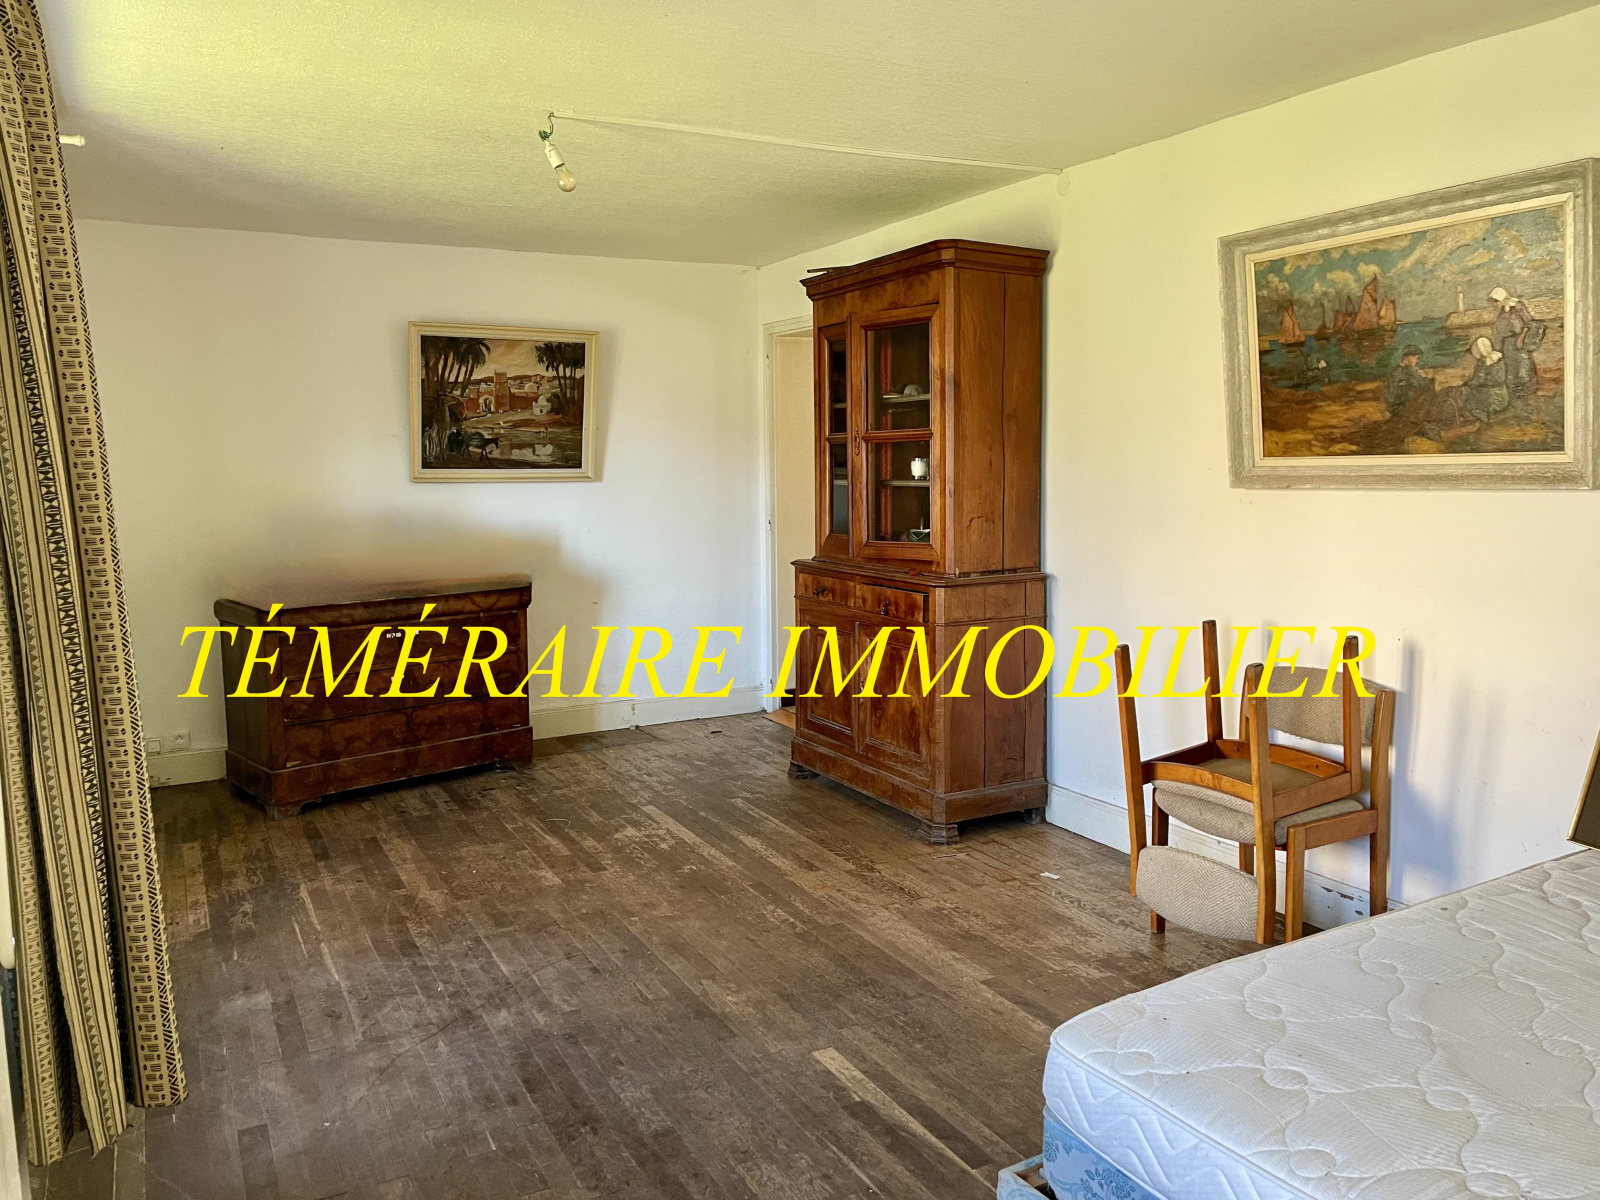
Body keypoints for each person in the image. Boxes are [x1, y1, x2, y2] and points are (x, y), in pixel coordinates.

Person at [1488, 285, 1542, 398]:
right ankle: (1515, 393)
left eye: (1496, 301)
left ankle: (1527, 390)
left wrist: (1521, 338)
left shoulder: (1517, 308)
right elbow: (1499, 334)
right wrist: (1497, 350)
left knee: (1523, 366)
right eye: (1494, 302)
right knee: (1510, 369)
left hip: (1519, 341)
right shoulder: (1500, 316)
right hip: (1507, 345)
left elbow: (1529, 323)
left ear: (1502, 300)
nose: (1495, 304)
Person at [1462, 335, 1509, 424]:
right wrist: (1471, 383)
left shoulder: (1496, 361)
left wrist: (1479, 382)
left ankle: (1482, 414)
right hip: (1486, 390)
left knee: (1477, 400)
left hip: (1496, 395)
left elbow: (1498, 379)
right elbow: (1477, 378)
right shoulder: (1482, 363)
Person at [1386, 344, 1431, 414]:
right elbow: (1423, 385)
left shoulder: (1397, 370)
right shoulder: (1407, 371)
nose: (1417, 361)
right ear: (1409, 358)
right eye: (1416, 358)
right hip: (1402, 408)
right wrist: (1426, 376)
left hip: (1397, 406)